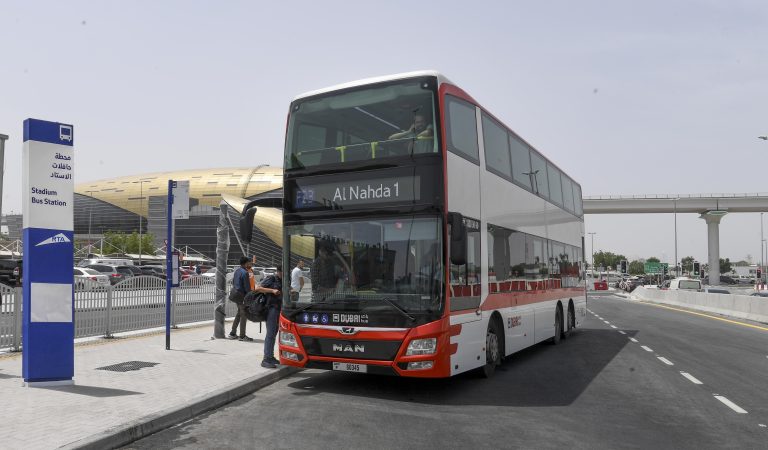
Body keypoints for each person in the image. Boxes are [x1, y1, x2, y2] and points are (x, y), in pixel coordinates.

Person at [255, 264, 284, 368]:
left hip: (279, 310)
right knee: (270, 334)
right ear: (278, 271)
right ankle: (266, 359)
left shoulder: (282, 281)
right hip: (271, 309)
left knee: (274, 333)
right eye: (282, 273)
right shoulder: (271, 278)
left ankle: (270, 357)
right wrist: (272, 291)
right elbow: (257, 288)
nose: (283, 275)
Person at [229, 257, 254, 341]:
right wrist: (251, 296)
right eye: (249, 263)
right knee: (244, 315)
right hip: (241, 296)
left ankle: (232, 333)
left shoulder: (237, 271)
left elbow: (233, 282)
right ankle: (242, 336)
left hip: (235, 294)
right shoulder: (245, 273)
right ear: (246, 263)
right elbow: (247, 287)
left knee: (239, 313)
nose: (250, 264)